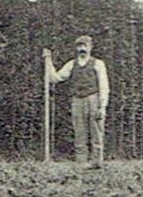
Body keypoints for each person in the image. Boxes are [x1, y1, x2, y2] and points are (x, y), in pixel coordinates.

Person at [45, 35, 108, 168]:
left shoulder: (98, 64)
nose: (82, 49)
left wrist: (102, 106)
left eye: (85, 46)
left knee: (96, 131)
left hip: (93, 99)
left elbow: (104, 86)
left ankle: (97, 162)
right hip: (77, 100)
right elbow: (55, 78)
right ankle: (81, 163)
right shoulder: (71, 64)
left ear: (91, 47)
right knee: (79, 131)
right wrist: (48, 61)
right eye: (79, 46)